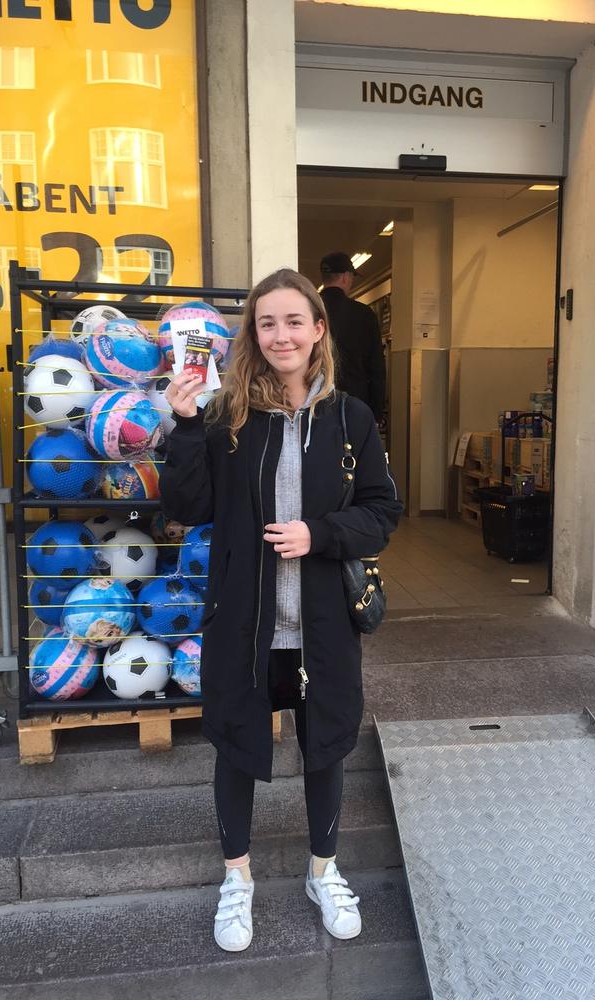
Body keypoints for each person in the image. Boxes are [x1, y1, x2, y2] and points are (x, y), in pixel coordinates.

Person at [160, 267, 402, 953]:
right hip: (245, 619)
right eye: (267, 323)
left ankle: (323, 871)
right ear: (253, 334)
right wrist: (184, 426)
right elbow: (186, 507)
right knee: (236, 748)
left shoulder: (351, 418)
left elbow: (383, 511)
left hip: (322, 622)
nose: (281, 335)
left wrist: (318, 534)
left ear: (319, 329)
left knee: (326, 747)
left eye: (295, 321)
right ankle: (236, 877)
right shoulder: (226, 418)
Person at [319, 251, 386, 422]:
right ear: (345, 277)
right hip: (355, 404)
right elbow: (376, 368)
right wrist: (376, 414)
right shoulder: (364, 314)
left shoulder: (310, 311)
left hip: (316, 401)